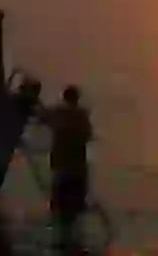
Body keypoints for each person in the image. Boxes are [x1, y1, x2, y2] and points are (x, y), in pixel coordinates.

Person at [45, 84, 94, 247]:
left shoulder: (58, 114)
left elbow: (43, 118)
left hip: (61, 167)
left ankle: (61, 240)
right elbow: (88, 135)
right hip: (77, 167)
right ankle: (75, 241)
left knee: (60, 207)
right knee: (75, 207)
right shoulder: (82, 115)